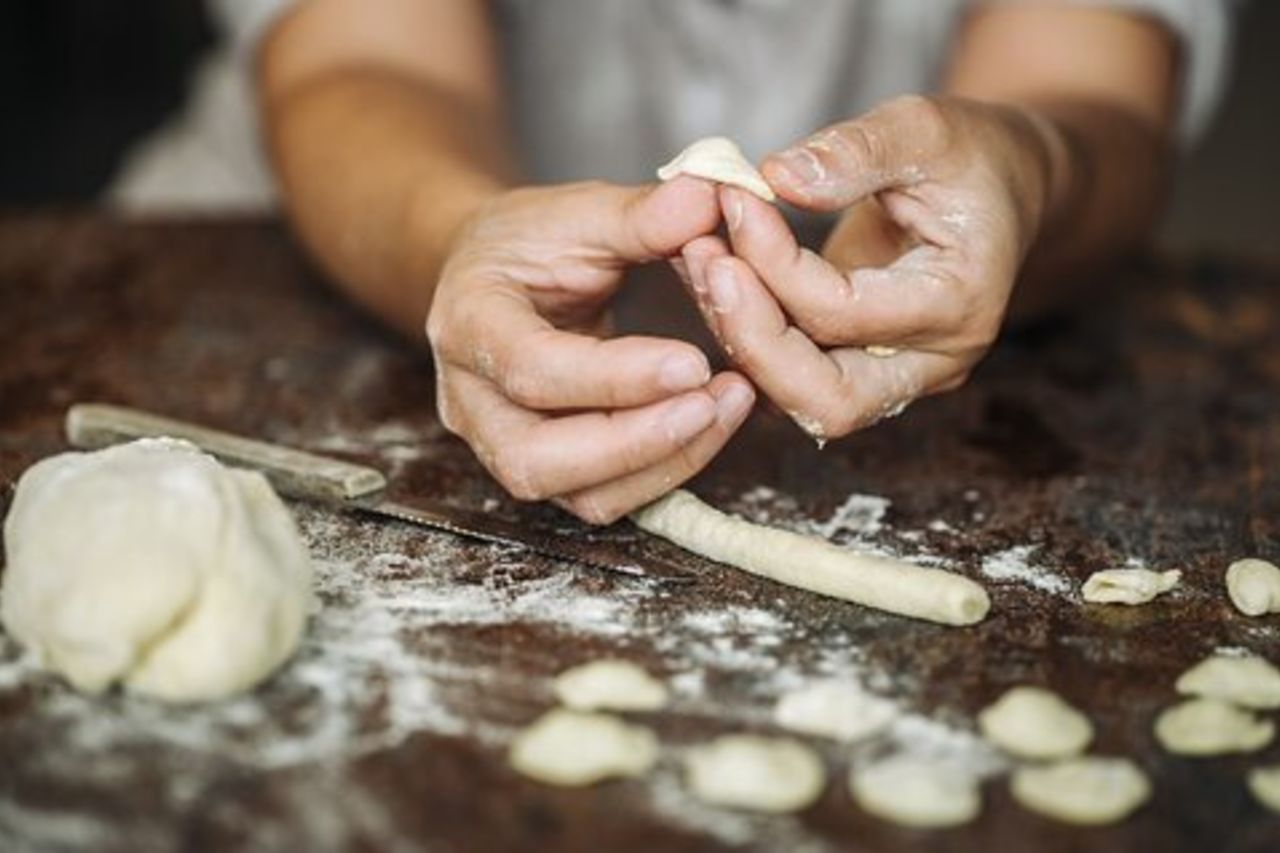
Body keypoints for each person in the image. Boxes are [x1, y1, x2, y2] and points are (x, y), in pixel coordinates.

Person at [113, 0, 1236, 523]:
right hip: (310, 234)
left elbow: (1093, 88)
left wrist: (1023, 163)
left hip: (972, 351)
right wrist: (453, 240)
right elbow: (360, 56)